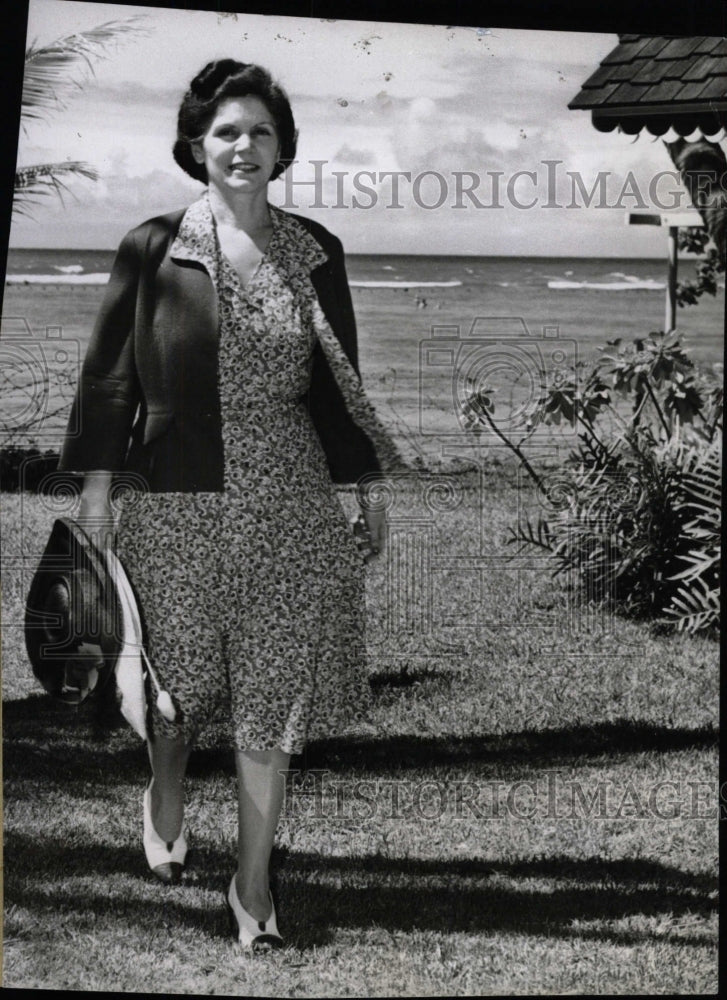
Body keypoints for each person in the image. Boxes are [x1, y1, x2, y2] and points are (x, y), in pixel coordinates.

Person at [57, 58, 398, 950]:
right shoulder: (151, 245)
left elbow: (336, 383)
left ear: (282, 148)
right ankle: (165, 791)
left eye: (261, 132)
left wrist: (363, 487)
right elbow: (110, 382)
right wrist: (98, 497)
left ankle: (253, 893)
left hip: (288, 504)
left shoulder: (313, 249)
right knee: (179, 699)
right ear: (196, 148)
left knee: (270, 705)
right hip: (174, 499)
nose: (244, 146)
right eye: (226, 133)